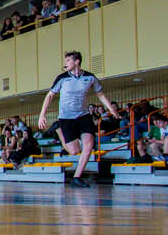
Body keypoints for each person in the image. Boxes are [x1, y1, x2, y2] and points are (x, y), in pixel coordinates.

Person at [38, 50, 120, 188]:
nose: (65, 63)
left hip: (83, 116)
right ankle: (58, 130)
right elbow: (50, 95)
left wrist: (112, 109)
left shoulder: (90, 77)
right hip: (66, 118)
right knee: (74, 151)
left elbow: (100, 94)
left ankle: (77, 177)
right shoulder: (62, 78)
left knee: (89, 144)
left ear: (77, 61)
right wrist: (42, 114)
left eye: (68, 60)